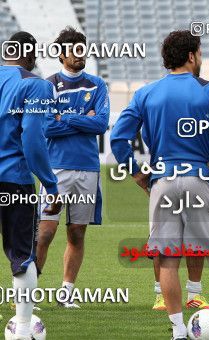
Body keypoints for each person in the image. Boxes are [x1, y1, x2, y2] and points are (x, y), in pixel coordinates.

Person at [110, 30, 209, 340]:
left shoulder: (146, 93)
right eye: (199, 53)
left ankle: (179, 331)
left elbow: (118, 138)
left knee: (168, 258)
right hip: (200, 176)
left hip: (163, 179)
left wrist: (136, 172)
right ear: (191, 56)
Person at [36, 27, 110, 308]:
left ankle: (65, 294)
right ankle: (29, 290)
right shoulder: (47, 86)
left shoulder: (97, 85)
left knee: (77, 233)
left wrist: (65, 117)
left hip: (88, 169)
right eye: (74, 50)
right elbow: (46, 126)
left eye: (83, 49)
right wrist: (82, 118)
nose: (80, 54)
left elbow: (101, 124)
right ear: (61, 54)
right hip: (56, 169)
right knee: (45, 232)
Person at [0, 31, 62, 340]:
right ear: (30, 54)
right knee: (23, 258)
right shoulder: (37, 85)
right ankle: (23, 331)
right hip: (14, 181)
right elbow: (33, 139)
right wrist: (50, 185)